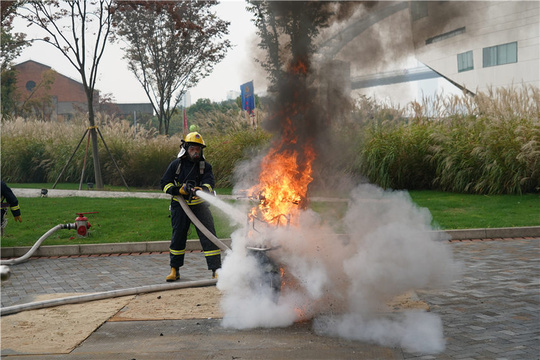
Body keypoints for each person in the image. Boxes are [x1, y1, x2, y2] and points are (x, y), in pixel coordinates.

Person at [160, 132, 221, 282]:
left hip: (200, 207)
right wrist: (178, 190)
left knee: (209, 236)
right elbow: (165, 183)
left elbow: (209, 182)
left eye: (198, 149)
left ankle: (216, 270)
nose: (196, 152)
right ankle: (174, 270)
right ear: (186, 148)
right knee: (178, 238)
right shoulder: (176, 165)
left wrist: (202, 190)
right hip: (180, 207)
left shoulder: (205, 166)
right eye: (193, 148)